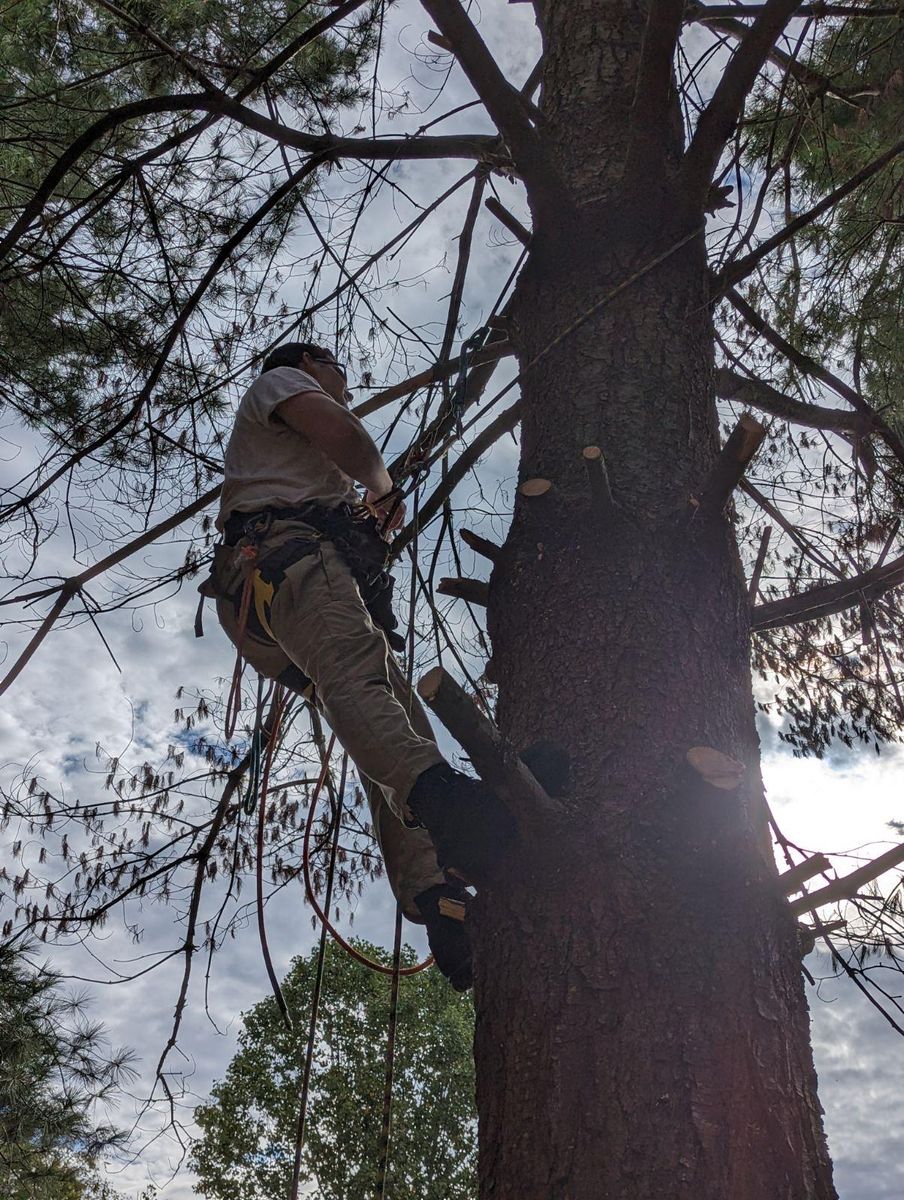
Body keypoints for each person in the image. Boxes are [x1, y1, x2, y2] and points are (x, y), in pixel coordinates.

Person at [208, 341, 515, 990]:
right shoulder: (281, 383)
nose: (343, 387)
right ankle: (450, 806)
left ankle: (439, 894)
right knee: (360, 681)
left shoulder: (299, 474)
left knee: (395, 716)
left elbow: (341, 492)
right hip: (283, 562)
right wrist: (379, 484)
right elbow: (342, 433)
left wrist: (363, 521)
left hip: (274, 594)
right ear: (310, 364)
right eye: (336, 375)